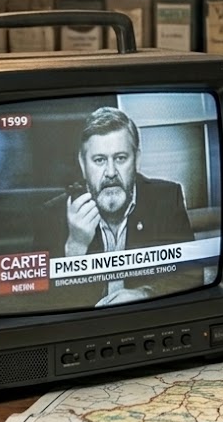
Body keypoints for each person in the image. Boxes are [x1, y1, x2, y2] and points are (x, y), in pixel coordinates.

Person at [37, 106, 197, 306]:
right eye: (99, 160)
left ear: (137, 160)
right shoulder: (52, 214)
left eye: (120, 158)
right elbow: (43, 303)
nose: (110, 172)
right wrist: (76, 247)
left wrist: (146, 294)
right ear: (82, 164)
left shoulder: (166, 198)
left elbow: (191, 274)